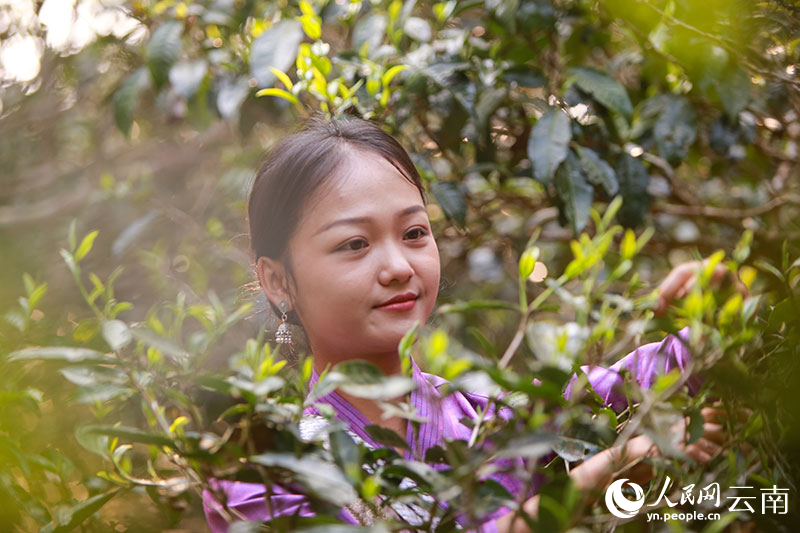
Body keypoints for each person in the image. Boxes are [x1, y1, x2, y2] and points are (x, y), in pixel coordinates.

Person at [203, 116, 734, 532]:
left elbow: (632, 383)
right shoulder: (263, 479)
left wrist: (714, 312)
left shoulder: (492, 418)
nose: (398, 267)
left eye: (414, 232)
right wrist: (588, 483)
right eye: (354, 244)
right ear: (277, 281)